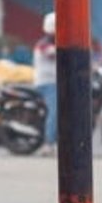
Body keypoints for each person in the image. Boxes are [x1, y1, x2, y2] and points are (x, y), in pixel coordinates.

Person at [33, 11, 57, 152]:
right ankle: (48, 144)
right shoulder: (44, 44)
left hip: (55, 82)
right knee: (54, 112)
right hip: (47, 83)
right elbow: (53, 52)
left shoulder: (52, 43)